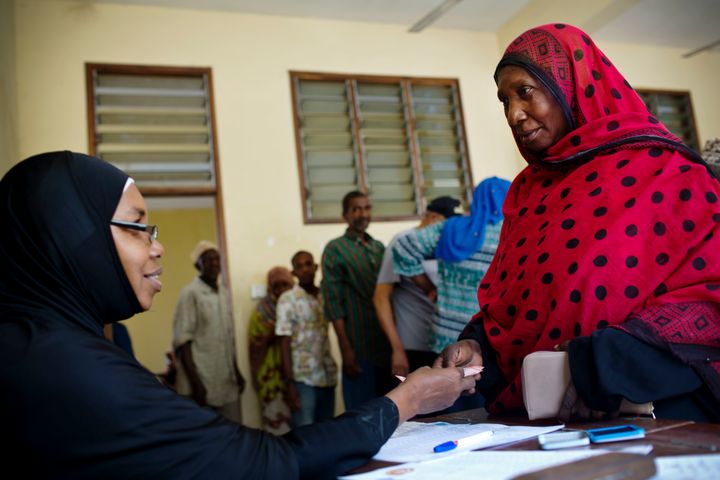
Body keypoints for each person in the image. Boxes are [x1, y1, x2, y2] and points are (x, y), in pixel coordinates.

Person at [0, 151, 477, 479]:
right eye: (137, 227)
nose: (157, 246)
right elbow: (266, 463)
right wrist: (409, 398)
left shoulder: (40, 343)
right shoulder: (65, 367)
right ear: (69, 235)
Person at [437, 24, 720, 423]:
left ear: (573, 85)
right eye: (504, 101)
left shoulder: (672, 176)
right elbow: (517, 302)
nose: (514, 114)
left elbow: (709, 295)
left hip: (654, 419)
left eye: (525, 92)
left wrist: (604, 359)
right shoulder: (528, 193)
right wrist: (477, 345)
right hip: (539, 423)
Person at [393, 177, 510, 353]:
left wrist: (429, 289)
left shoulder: (450, 228)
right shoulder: (512, 234)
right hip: (485, 338)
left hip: (444, 335)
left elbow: (403, 247)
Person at [373, 196, 460, 377]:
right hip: (414, 346)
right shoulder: (404, 242)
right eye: (446, 225)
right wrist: (397, 350)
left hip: (443, 343)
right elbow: (381, 298)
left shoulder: (443, 244)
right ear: (435, 218)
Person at [321, 191, 392, 410]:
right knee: (362, 415)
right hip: (359, 347)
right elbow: (333, 303)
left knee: (392, 413)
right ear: (345, 215)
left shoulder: (379, 247)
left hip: (387, 345)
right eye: (356, 209)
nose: (363, 213)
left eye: (367, 208)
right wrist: (346, 349)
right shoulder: (335, 249)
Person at [172, 240, 246, 423]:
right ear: (198, 264)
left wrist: (237, 371)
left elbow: (227, 338)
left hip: (226, 379)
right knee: (207, 439)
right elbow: (183, 341)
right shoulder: (190, 293)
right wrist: (196, 384)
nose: (214, 263)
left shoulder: (223, 293)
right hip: (202, 380)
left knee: (234, 434)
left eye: (217, 259)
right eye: (208, 259)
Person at [276, 251, 337, 427]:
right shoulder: (288, 299)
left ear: (316, 267)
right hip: (302, 379)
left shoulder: (325, 297)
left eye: (308, 264)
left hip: (327, 374)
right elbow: (284, 342)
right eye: (299, 266)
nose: (305, 269)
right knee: (304, 433)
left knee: (327, 431)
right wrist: (290, 384)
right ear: (293, 272)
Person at [248, 266, 294, 434]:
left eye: (286, 285)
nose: (282, 290)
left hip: (297, 377)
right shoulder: (262, 313)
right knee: (279, 431)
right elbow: (256, 346)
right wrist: (273, 332)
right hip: (272, 378)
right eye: (277, 286)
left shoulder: (296, 306)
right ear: (270, 288)